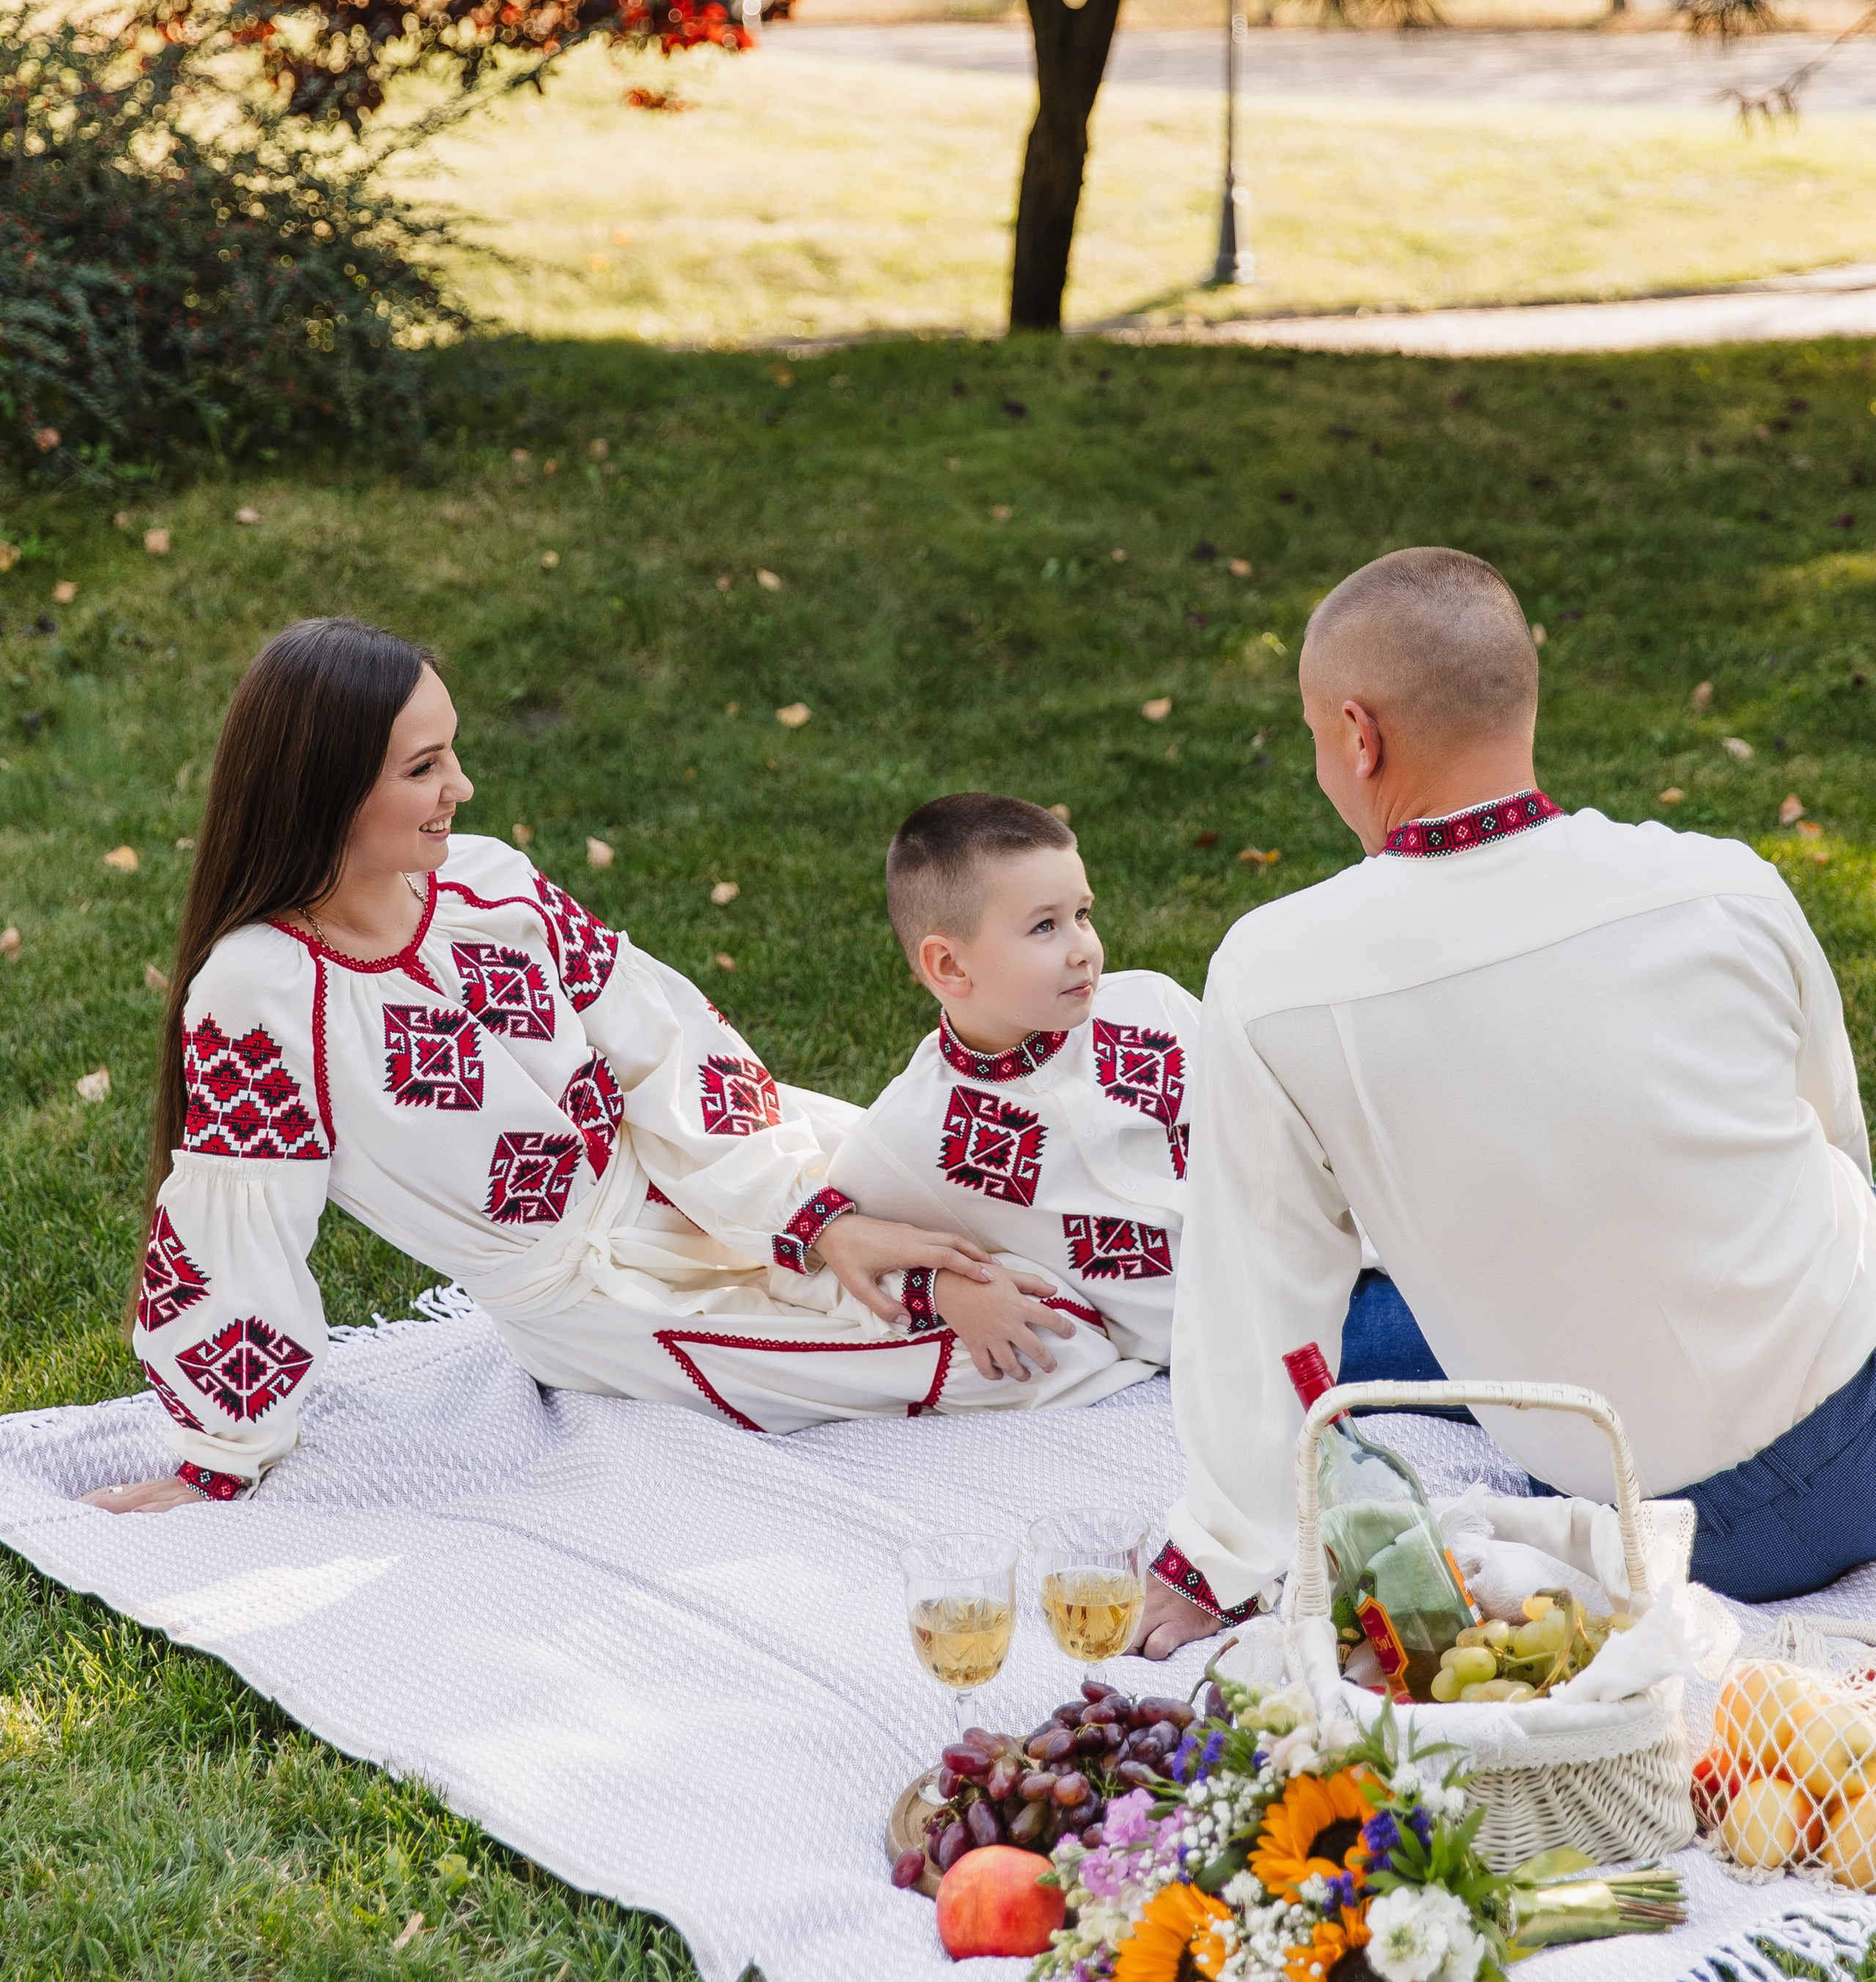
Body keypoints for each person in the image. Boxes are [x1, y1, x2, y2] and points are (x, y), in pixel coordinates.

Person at [88, 622, 1142, 1514]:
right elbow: (241, 1221)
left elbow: (667, 1047)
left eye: (451, 751)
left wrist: (816, 1217)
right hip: (594, 1300)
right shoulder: (261, 990)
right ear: (324, 791)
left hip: (705, 1165)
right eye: (422, 769)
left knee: (1023, 1202)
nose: (460, 784)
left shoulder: (491, 885)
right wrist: (219, 1449)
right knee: (1039, 1346)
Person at [1133, 544, 1876, 1654]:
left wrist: (1215, 1557)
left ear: (1358, 735)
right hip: (1860, 1443)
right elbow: (1835, 1148)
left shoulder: (1274, 972)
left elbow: (1259, 1291)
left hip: (1645, 1516)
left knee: (1368, 1309)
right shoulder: (1728, 884)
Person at [824, 794, 1200, 1367]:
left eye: (1083, 915)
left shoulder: (1153, 1005)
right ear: (950, 966)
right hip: (1228, 1345)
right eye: (1045, 926)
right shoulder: (909, 1135)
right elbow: (821, 1243)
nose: (1084, 950)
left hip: (1331, 1266)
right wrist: (935, 1286)